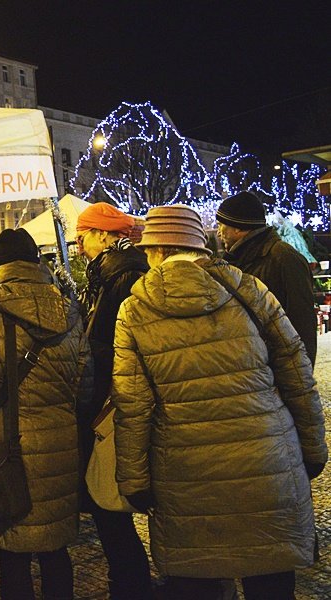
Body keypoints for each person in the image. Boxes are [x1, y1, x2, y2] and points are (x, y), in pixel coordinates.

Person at [112, 205, 327, 600]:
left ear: (157, 251)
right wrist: (313, 449)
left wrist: (135, 481)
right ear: (201, 247)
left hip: (184, 474)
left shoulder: (134, 310)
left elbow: (133, 405)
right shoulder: (250, 291)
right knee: (271, 581)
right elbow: (297, 374)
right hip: (267, 461)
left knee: (197, 581)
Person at [0, 229, 92, 600]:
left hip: (8, 447)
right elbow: (85, 383)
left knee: (12, 553)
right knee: (55, 549)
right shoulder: (68, 308)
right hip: (60, 444)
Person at [73, 202, 154, 599]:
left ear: (105, 235)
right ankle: (129, 582)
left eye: (84, 234)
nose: (78, 243)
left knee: (111, 502)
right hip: (112, 400)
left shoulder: (121, 276)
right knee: (111, 504)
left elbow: (109, 349)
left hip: (113, 404)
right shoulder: (110, 273)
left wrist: (88, 396)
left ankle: (131, 585)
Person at [216, 191, 317, 364]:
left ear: (239, 227)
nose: (218, 233)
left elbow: (302, 323)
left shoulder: (284, 258)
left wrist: (301, 378)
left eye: (221, 225)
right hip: (249, 369)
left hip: (275, 367)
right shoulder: (230, 262)